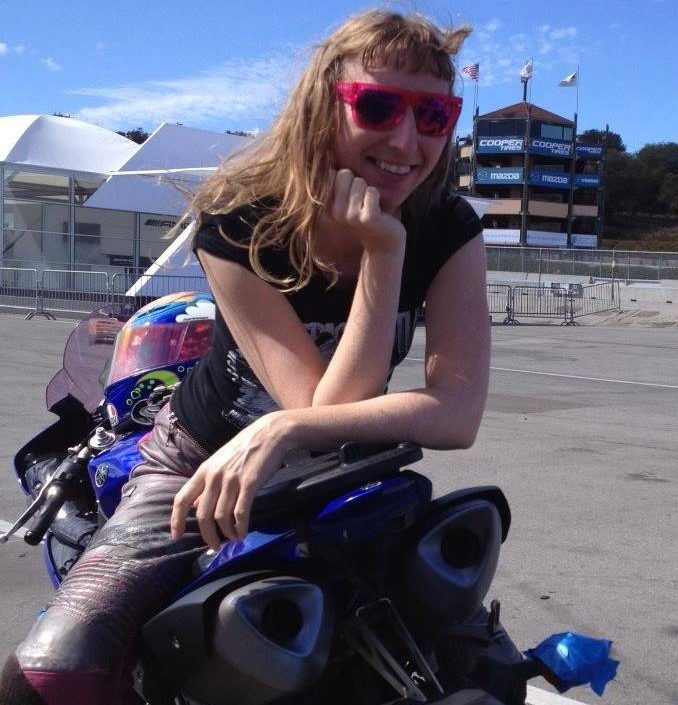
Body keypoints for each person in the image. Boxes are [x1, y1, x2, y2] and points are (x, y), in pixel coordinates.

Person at [1, 10, 493, 705]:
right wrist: (385, 257)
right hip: (199, 465)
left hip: (342, 469)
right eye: (378, 106)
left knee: (460, 653)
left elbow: (457, 411)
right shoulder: (240, 218)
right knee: (49, 673)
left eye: (434, 115)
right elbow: (326, 407)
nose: (407, 140)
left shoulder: (447, 225)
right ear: (325, 106)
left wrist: (286, 427)